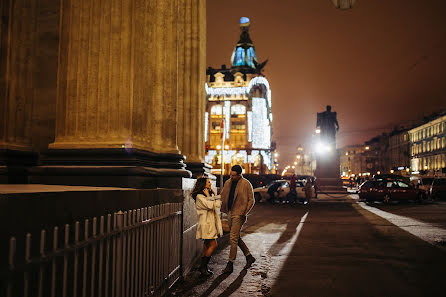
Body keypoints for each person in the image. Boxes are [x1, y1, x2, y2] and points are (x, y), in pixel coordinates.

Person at [220, 165, 256, 274]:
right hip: (230, 212)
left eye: (234, 175)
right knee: (236, 237)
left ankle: (230, 264)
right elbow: (222, 195)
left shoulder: (246, 183)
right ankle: (249, 257)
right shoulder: (228, 182)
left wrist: (244, 212)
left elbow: (251, 200)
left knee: (233, 238)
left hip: (239, 214)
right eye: (230, 174)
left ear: (239, 174)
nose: (231, 176)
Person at [191, 177, 223, 276]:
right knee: (213, 245)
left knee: (206, 245)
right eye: (208, 182)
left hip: (209, 224)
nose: (210, 184)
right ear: (203, 184)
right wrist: (210, 196)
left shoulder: (206, 195)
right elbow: (210, 206)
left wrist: (213, 193)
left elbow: (218, 204)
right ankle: (203, 267)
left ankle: (203, 267)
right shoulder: (200, 196)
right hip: (206, 224)